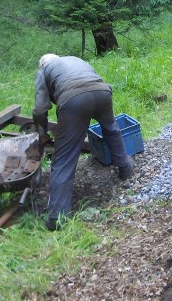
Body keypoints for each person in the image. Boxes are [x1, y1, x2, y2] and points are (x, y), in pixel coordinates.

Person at [32, 54, 135, 231]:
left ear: (42, 65)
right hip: (102, 92)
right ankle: (125, 168)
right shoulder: (73, 60)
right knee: (111, 129)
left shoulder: (44, 70)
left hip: (75, 99)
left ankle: (58, 216)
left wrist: (41, 130)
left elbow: (40, 108)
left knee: (64, 157)